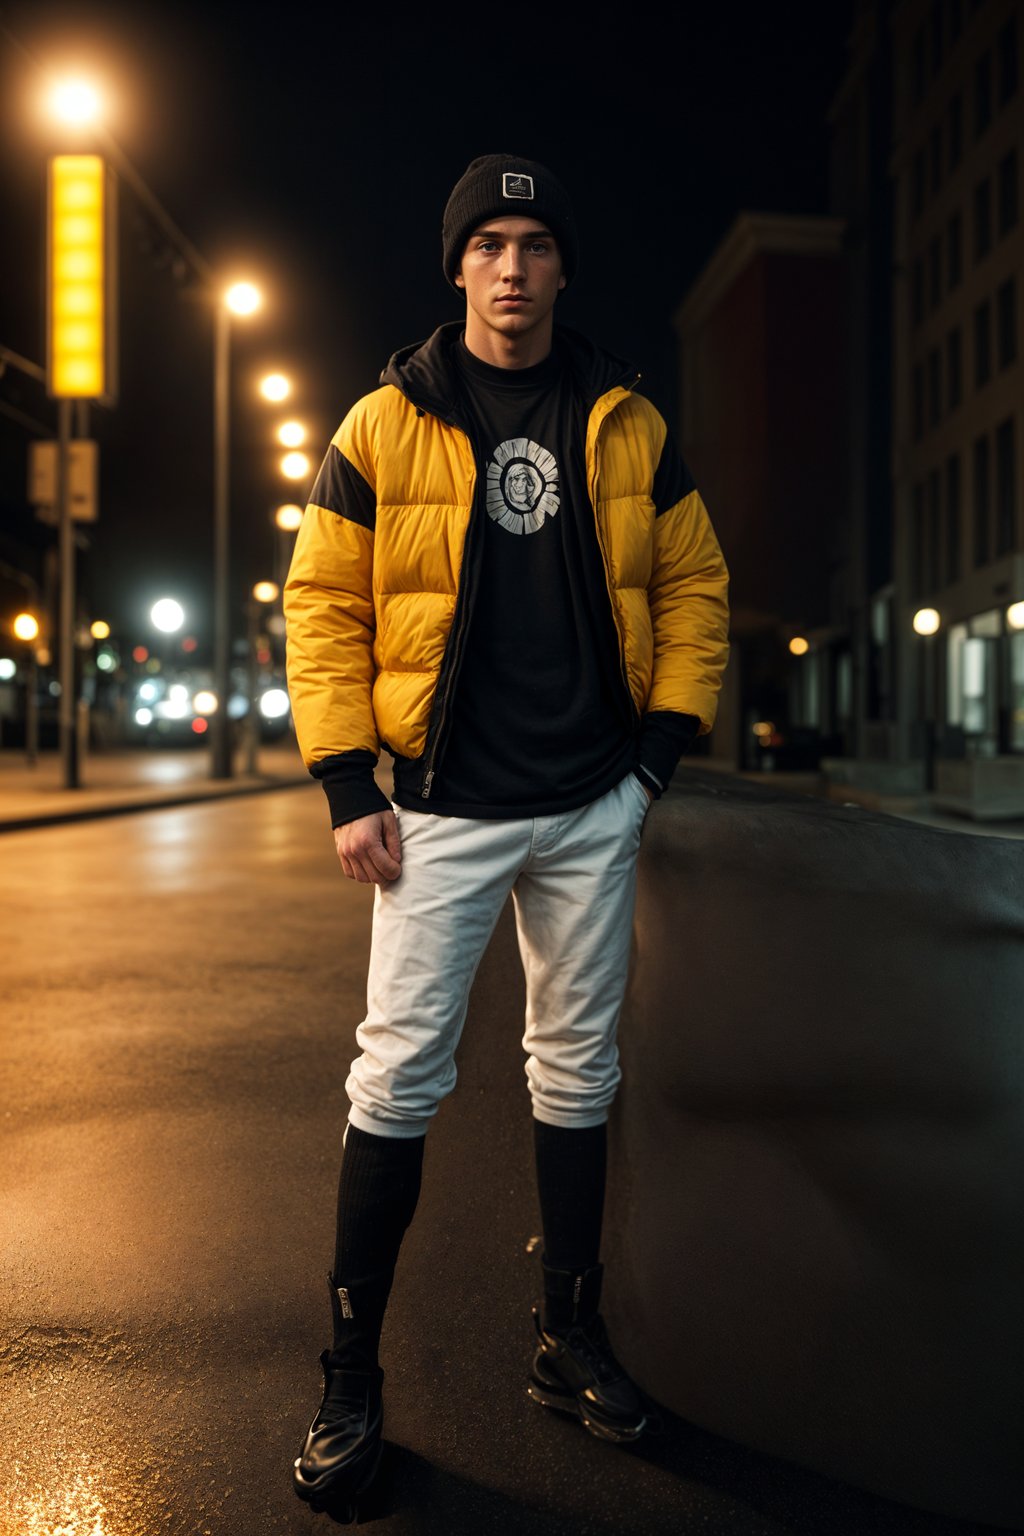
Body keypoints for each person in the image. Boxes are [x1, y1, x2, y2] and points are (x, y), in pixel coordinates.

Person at [283, 152, 730, 1518]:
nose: (514, 266)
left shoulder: (626, 421)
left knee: (576, 1069)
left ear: (561, 269)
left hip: (590, 798)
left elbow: (699, 580)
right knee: (400, 1080)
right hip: (437, 811)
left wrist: (657, 752)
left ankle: (566, 1340)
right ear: (456, 265)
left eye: (536, 242)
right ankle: (351, 1376)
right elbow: (325, 605)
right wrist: (350, 782)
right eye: (490, 241)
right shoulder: (381, 423)